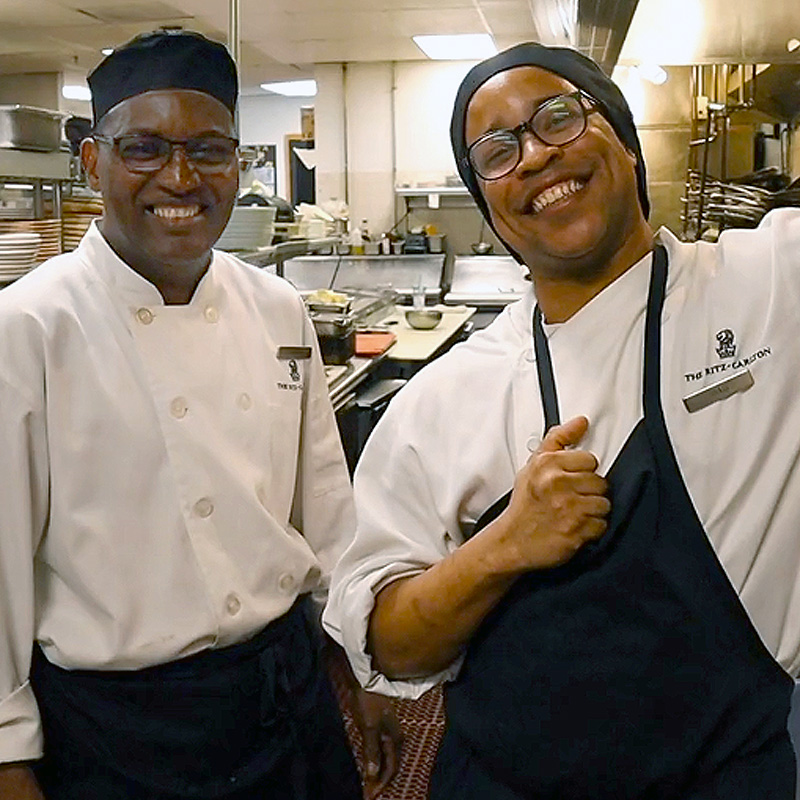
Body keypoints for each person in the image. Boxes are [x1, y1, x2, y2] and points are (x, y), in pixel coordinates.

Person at [324, 41, 800, 799]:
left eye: (559, 118)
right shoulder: (443, 399)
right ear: (490, 210)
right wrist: (503, 546)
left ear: (624, 139)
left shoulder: (771, 287)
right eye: (497, 150)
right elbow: (387, 641)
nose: (536, 156)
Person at [0, 29, 399, 800]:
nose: (180, 178)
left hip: (285, 694)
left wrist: (360, 661)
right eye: (145, 148)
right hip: (122, 730)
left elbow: (327, 513)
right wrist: (8, 757)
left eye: (210, 151)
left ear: (238, 163)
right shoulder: (28, 327)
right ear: (94, 163)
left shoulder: (278, 307)